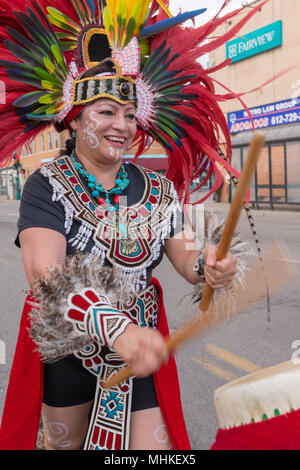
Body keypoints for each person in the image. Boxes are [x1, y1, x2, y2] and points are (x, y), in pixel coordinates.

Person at [0, 0, 264, 451]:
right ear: (75, 118)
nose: (120, 125)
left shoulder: (157, 188)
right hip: (67, 348)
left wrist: (211, 266)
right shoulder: (47, 185)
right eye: (105, 112)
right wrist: (115, 329)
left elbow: (185, 256)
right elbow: (46, 278)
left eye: (128, 114)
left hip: (141, 348)